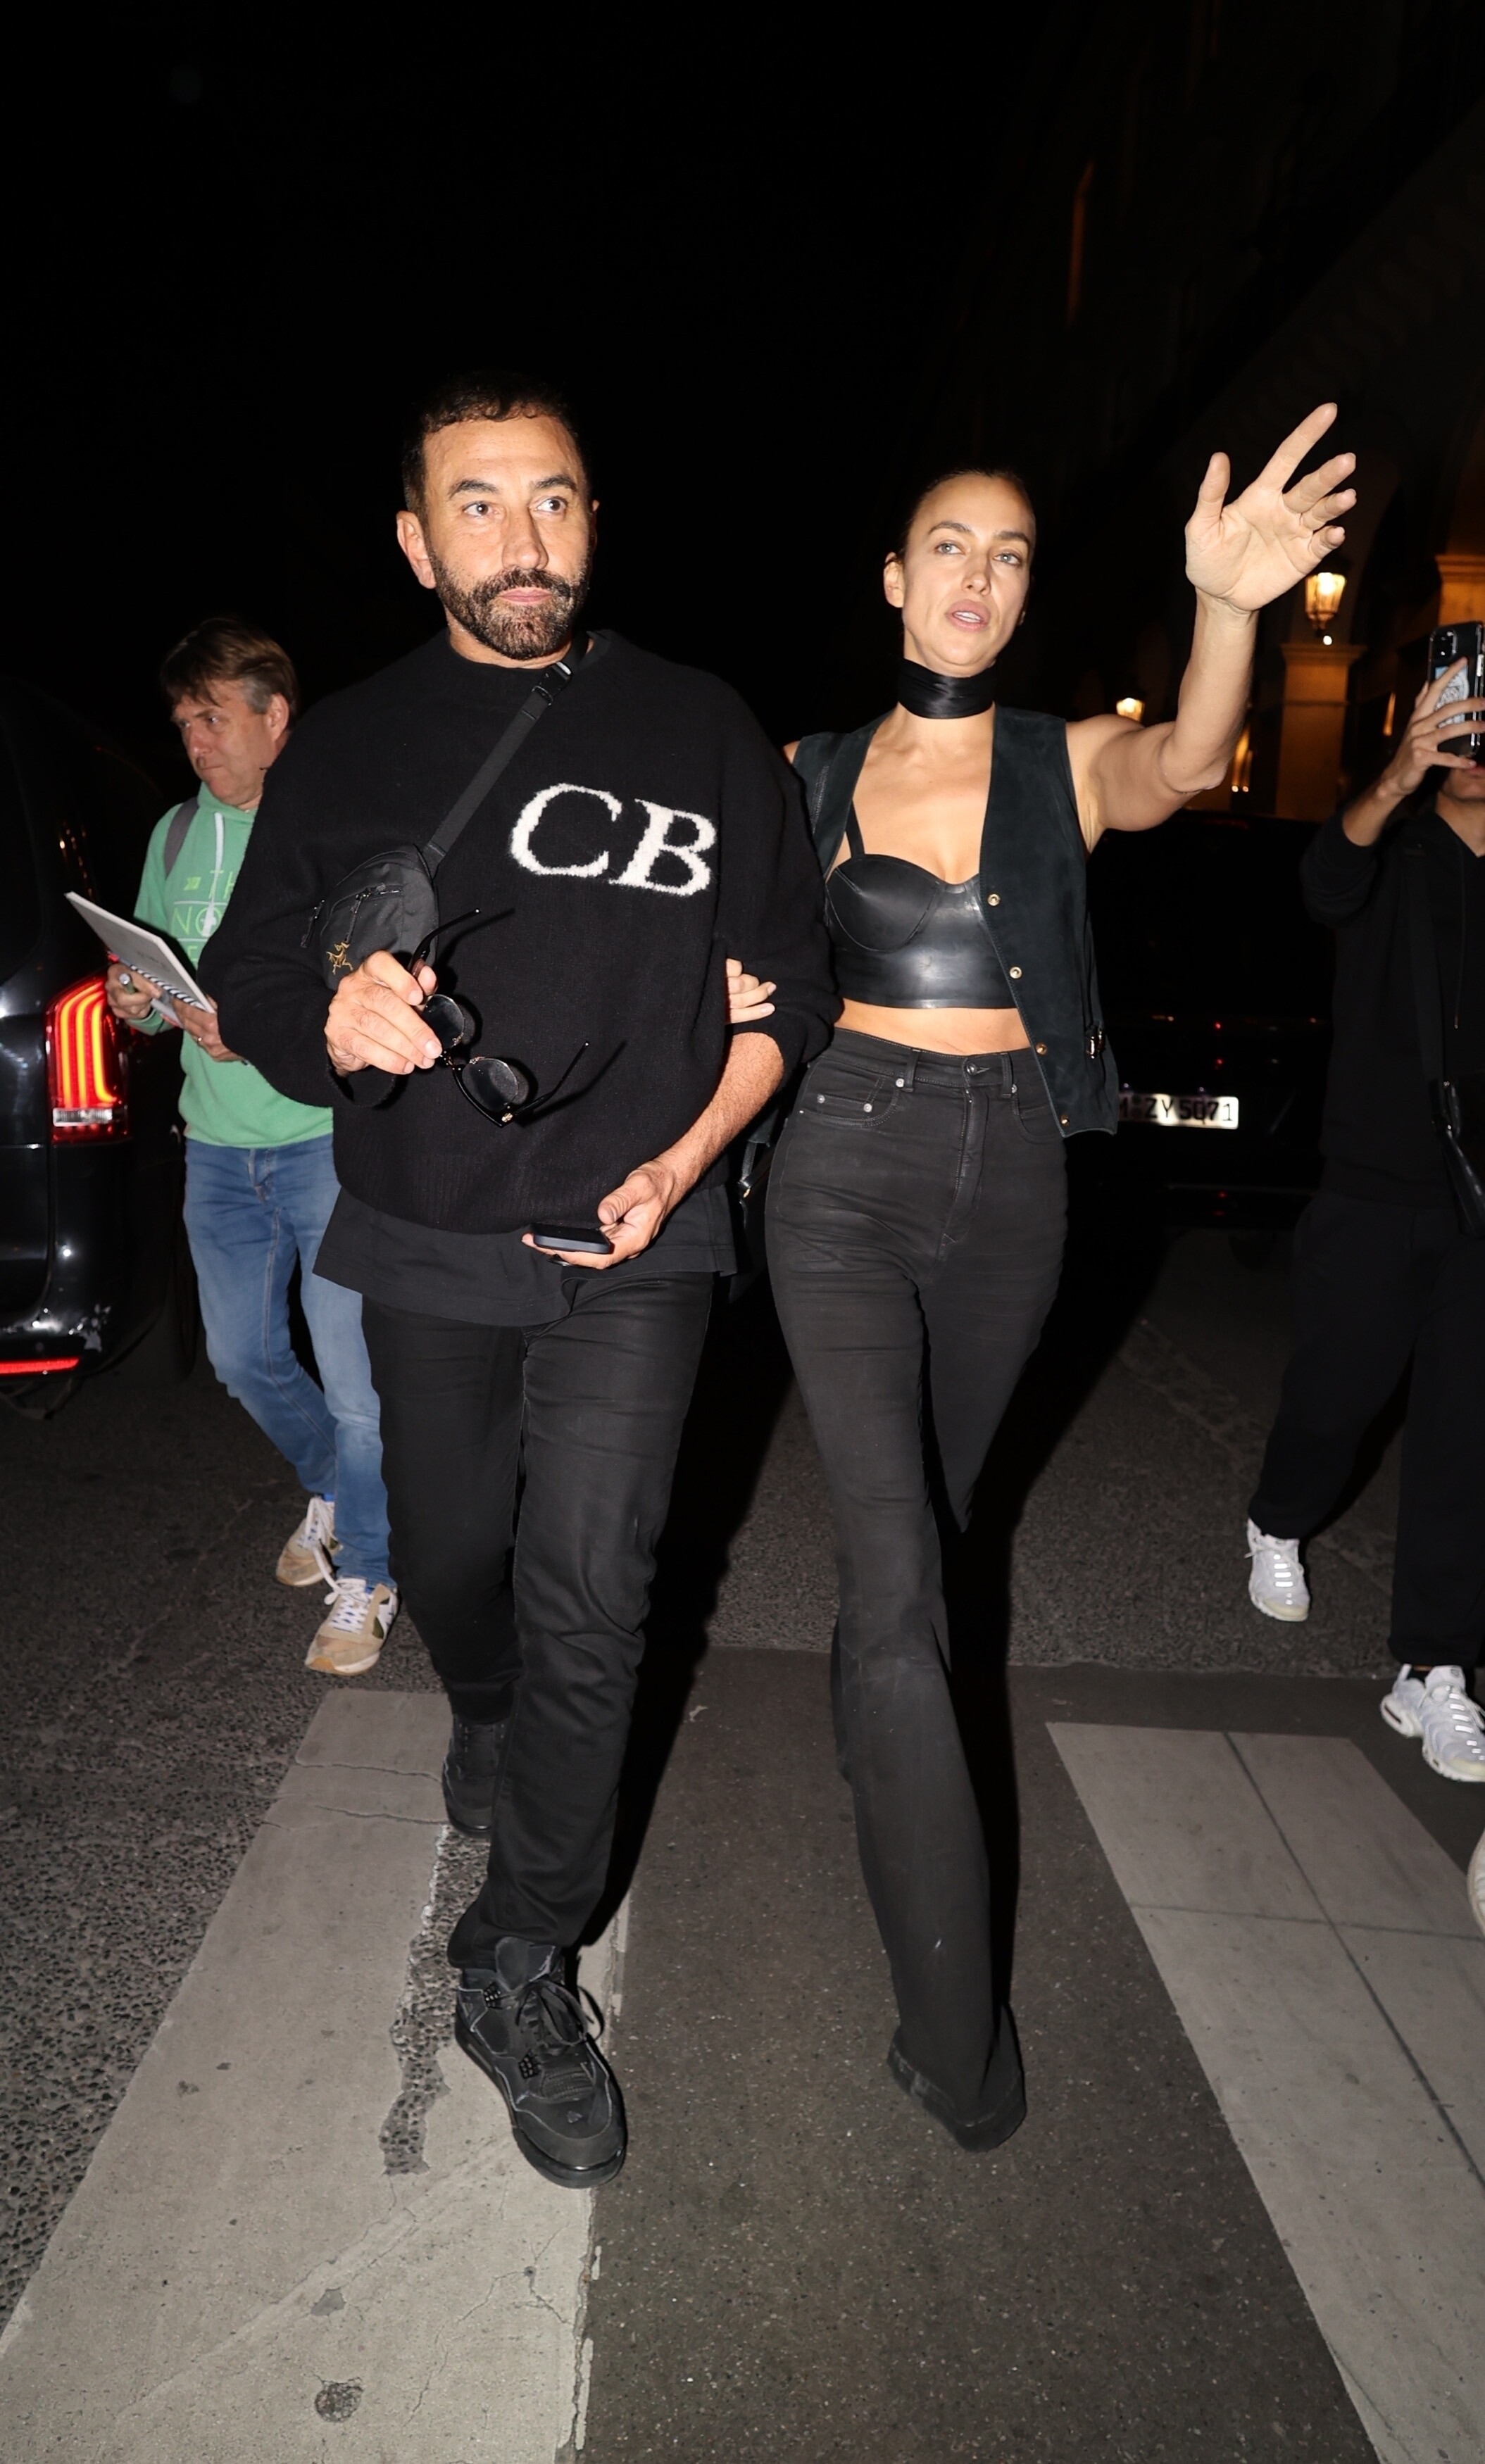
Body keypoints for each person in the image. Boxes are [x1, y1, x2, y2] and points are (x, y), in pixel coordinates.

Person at [200, 372, 834, 2189]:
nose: (520, 537)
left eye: (549, 498)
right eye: (475, 506)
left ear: (593, 520)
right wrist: (328, 1014)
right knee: (457, 1556)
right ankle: (478, 1704)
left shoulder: (703, 725)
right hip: (425, 1225)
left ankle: (519, 1956)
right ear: (416, 543)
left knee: (595, 1592)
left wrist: (683, 1161)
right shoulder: (350, 743)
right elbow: (251, 973)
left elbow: (787, 986)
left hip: (641, 1232)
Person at [765, 406, 1357, 2152]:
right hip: (841, 1169)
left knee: (935, 1527)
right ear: (893, 579)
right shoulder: (803, 771)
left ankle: (875, 1726)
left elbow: (1188, 759)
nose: (978, 575)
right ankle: (956, 2040)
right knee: (897, 1583)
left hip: (1016, 1176)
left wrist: (1226, 605)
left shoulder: (1062, 759)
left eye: (1008, 556)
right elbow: (709, 949)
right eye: (947, 546)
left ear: (1024, 598)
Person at [106, 619, 397, 1674]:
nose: (195, 742)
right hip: (217, 1147)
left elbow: (379, 980)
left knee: (358, 1384)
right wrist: (134, 998)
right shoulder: (174, 836)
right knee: (242, 1360)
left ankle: (372, 1569)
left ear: (278, 721)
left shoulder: (335, 829)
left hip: (323, 1140)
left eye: (214, 718)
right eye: (183, 723)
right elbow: (146, 984)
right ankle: (338, 1491)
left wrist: (269, 1025)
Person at [1245, 661, 1485, 1781]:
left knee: (1466, 1444)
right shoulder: (1390, 845)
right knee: (1335, 1398)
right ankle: (1277, 1518)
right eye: (1459, 728)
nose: (1475, 749)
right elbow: (1322, 886)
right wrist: (1395, 776)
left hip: (1481, 1209)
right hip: (1372, 1185)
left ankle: (1432, 1669)